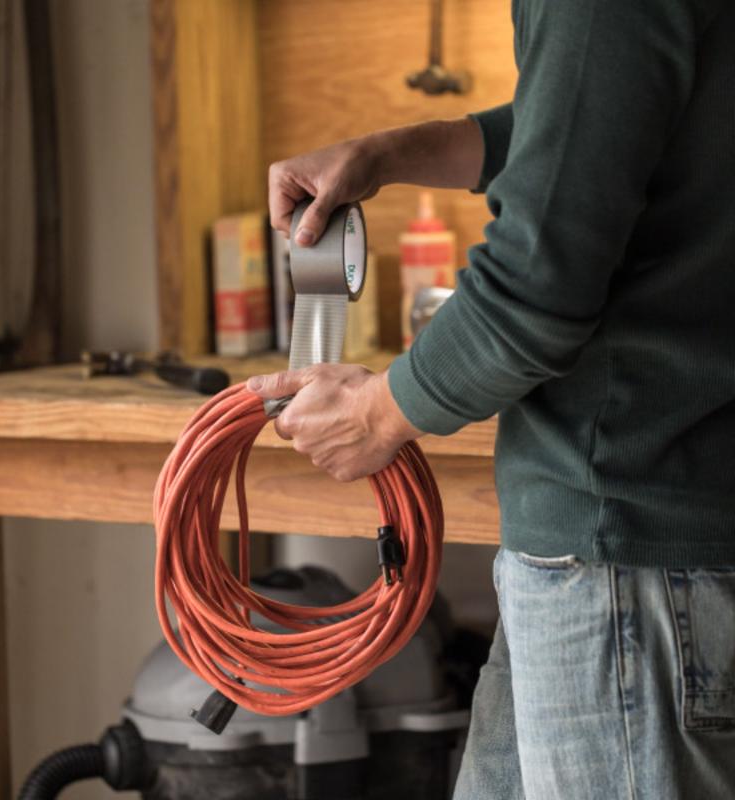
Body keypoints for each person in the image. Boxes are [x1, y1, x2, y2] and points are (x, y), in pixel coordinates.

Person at [246, 0, 735, 797]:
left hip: (622, 551)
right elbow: (602, 126)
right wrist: (390, 152)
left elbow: (533, 291)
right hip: (639, 545)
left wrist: (380, 414)